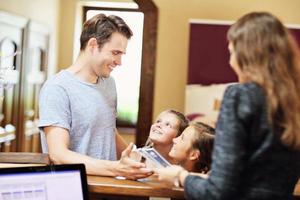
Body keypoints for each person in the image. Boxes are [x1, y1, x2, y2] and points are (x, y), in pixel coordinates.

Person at [155, 12, 300, 199]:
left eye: (232, 53)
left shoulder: (240, 96)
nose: (231, 62)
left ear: (247, 55)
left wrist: (180, 176)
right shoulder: (293, 104)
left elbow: (218, 192)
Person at [38, 13, 152, 180]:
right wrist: (116, 168)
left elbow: (107, 131)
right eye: (115, 52)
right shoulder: (57, 88)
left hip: (108, 187)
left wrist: (142, 161)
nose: (119, 61)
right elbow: (58, 154)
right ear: (93, 45)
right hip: (75, 189)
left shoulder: (108, 83)